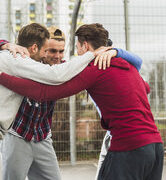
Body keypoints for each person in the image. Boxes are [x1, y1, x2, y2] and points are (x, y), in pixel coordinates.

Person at [0, 23, 163, 180]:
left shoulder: (92, 68)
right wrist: (118, 53)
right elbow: (146, 87)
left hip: (129, 144)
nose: (59, 55)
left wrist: (1, 77)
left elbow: (46, 89)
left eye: (73, 48)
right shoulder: (126, 65)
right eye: (50, 50)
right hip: (155, 145)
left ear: (85, 46)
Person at [0, 23, 111, 180]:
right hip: (17, 134)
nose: (57, 56)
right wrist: (5, 44)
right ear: (38, 48)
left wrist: (112, 51)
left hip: (42, 136)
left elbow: (64, 72)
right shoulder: (25, 63)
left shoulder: (63, 69)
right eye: (51, 50)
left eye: (61, 51)